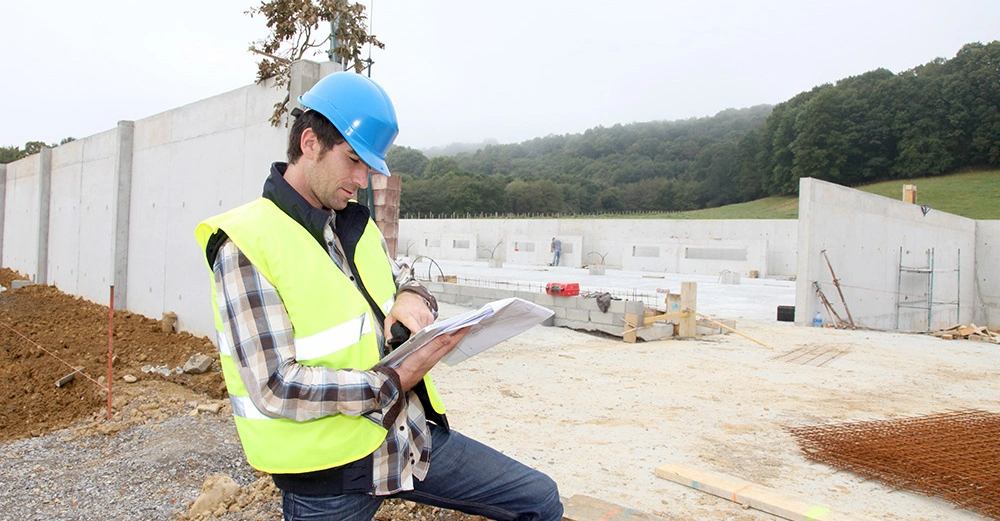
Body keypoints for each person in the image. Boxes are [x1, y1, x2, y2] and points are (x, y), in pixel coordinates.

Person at [194, 72, 562, 521]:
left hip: (406, 441)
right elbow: (276, 386)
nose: (361, 179)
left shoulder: (355, 224)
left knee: (539, 500)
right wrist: (397, 377)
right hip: (330, 479)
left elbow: (404, 275)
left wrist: (412, 296)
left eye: (368, 166)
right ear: (309, 143)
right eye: (353, 160)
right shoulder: (246, 245)